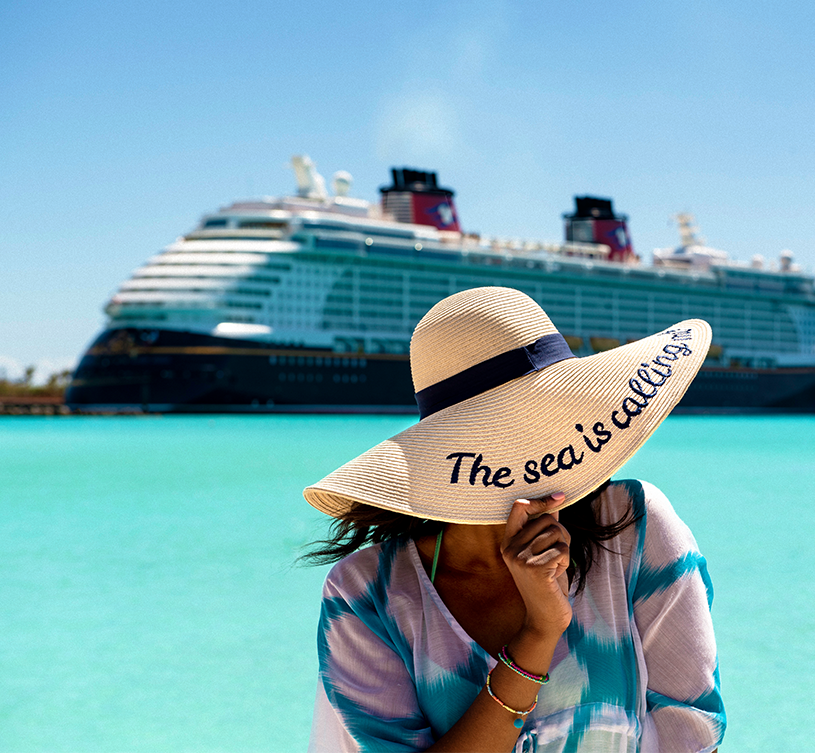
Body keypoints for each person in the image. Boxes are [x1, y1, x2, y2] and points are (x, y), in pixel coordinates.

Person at [303, 286, 725, 752]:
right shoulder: (368, 594)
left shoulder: (635, 526)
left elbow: (692, 732)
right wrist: (539, 632)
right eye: (527, 426)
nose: (556, 442)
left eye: (557, 417)